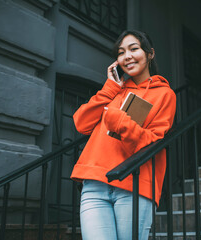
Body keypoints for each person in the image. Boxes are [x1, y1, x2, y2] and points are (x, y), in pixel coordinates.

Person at [70, 30, 177, 240]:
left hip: (134, 185)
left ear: (150, 54)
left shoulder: (165, 94)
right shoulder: (114, 91)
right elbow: (81, 123)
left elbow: (153, 142)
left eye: (134, 49)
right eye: (121, 52)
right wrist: (110, 88)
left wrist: (120, 121)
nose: (126, 56)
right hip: (95, 183)